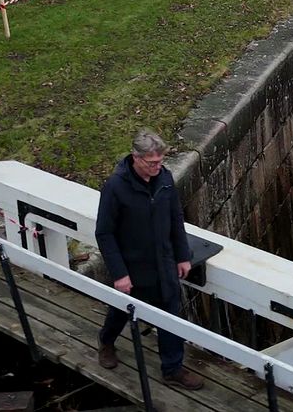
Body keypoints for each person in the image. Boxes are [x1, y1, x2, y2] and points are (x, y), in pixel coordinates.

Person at [95, 129, 204, 390]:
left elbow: (176, 219)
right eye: (152, 162)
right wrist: (120, 273)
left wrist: (181, 256)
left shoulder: (164, 179)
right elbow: (105, 233)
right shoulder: (115, 187)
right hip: (132, 266)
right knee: (122, 310)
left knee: (171, 314)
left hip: (163, 262)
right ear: (136, 157)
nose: (157, 166)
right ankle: (106, 342)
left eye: (160, 161)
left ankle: (172, 368)